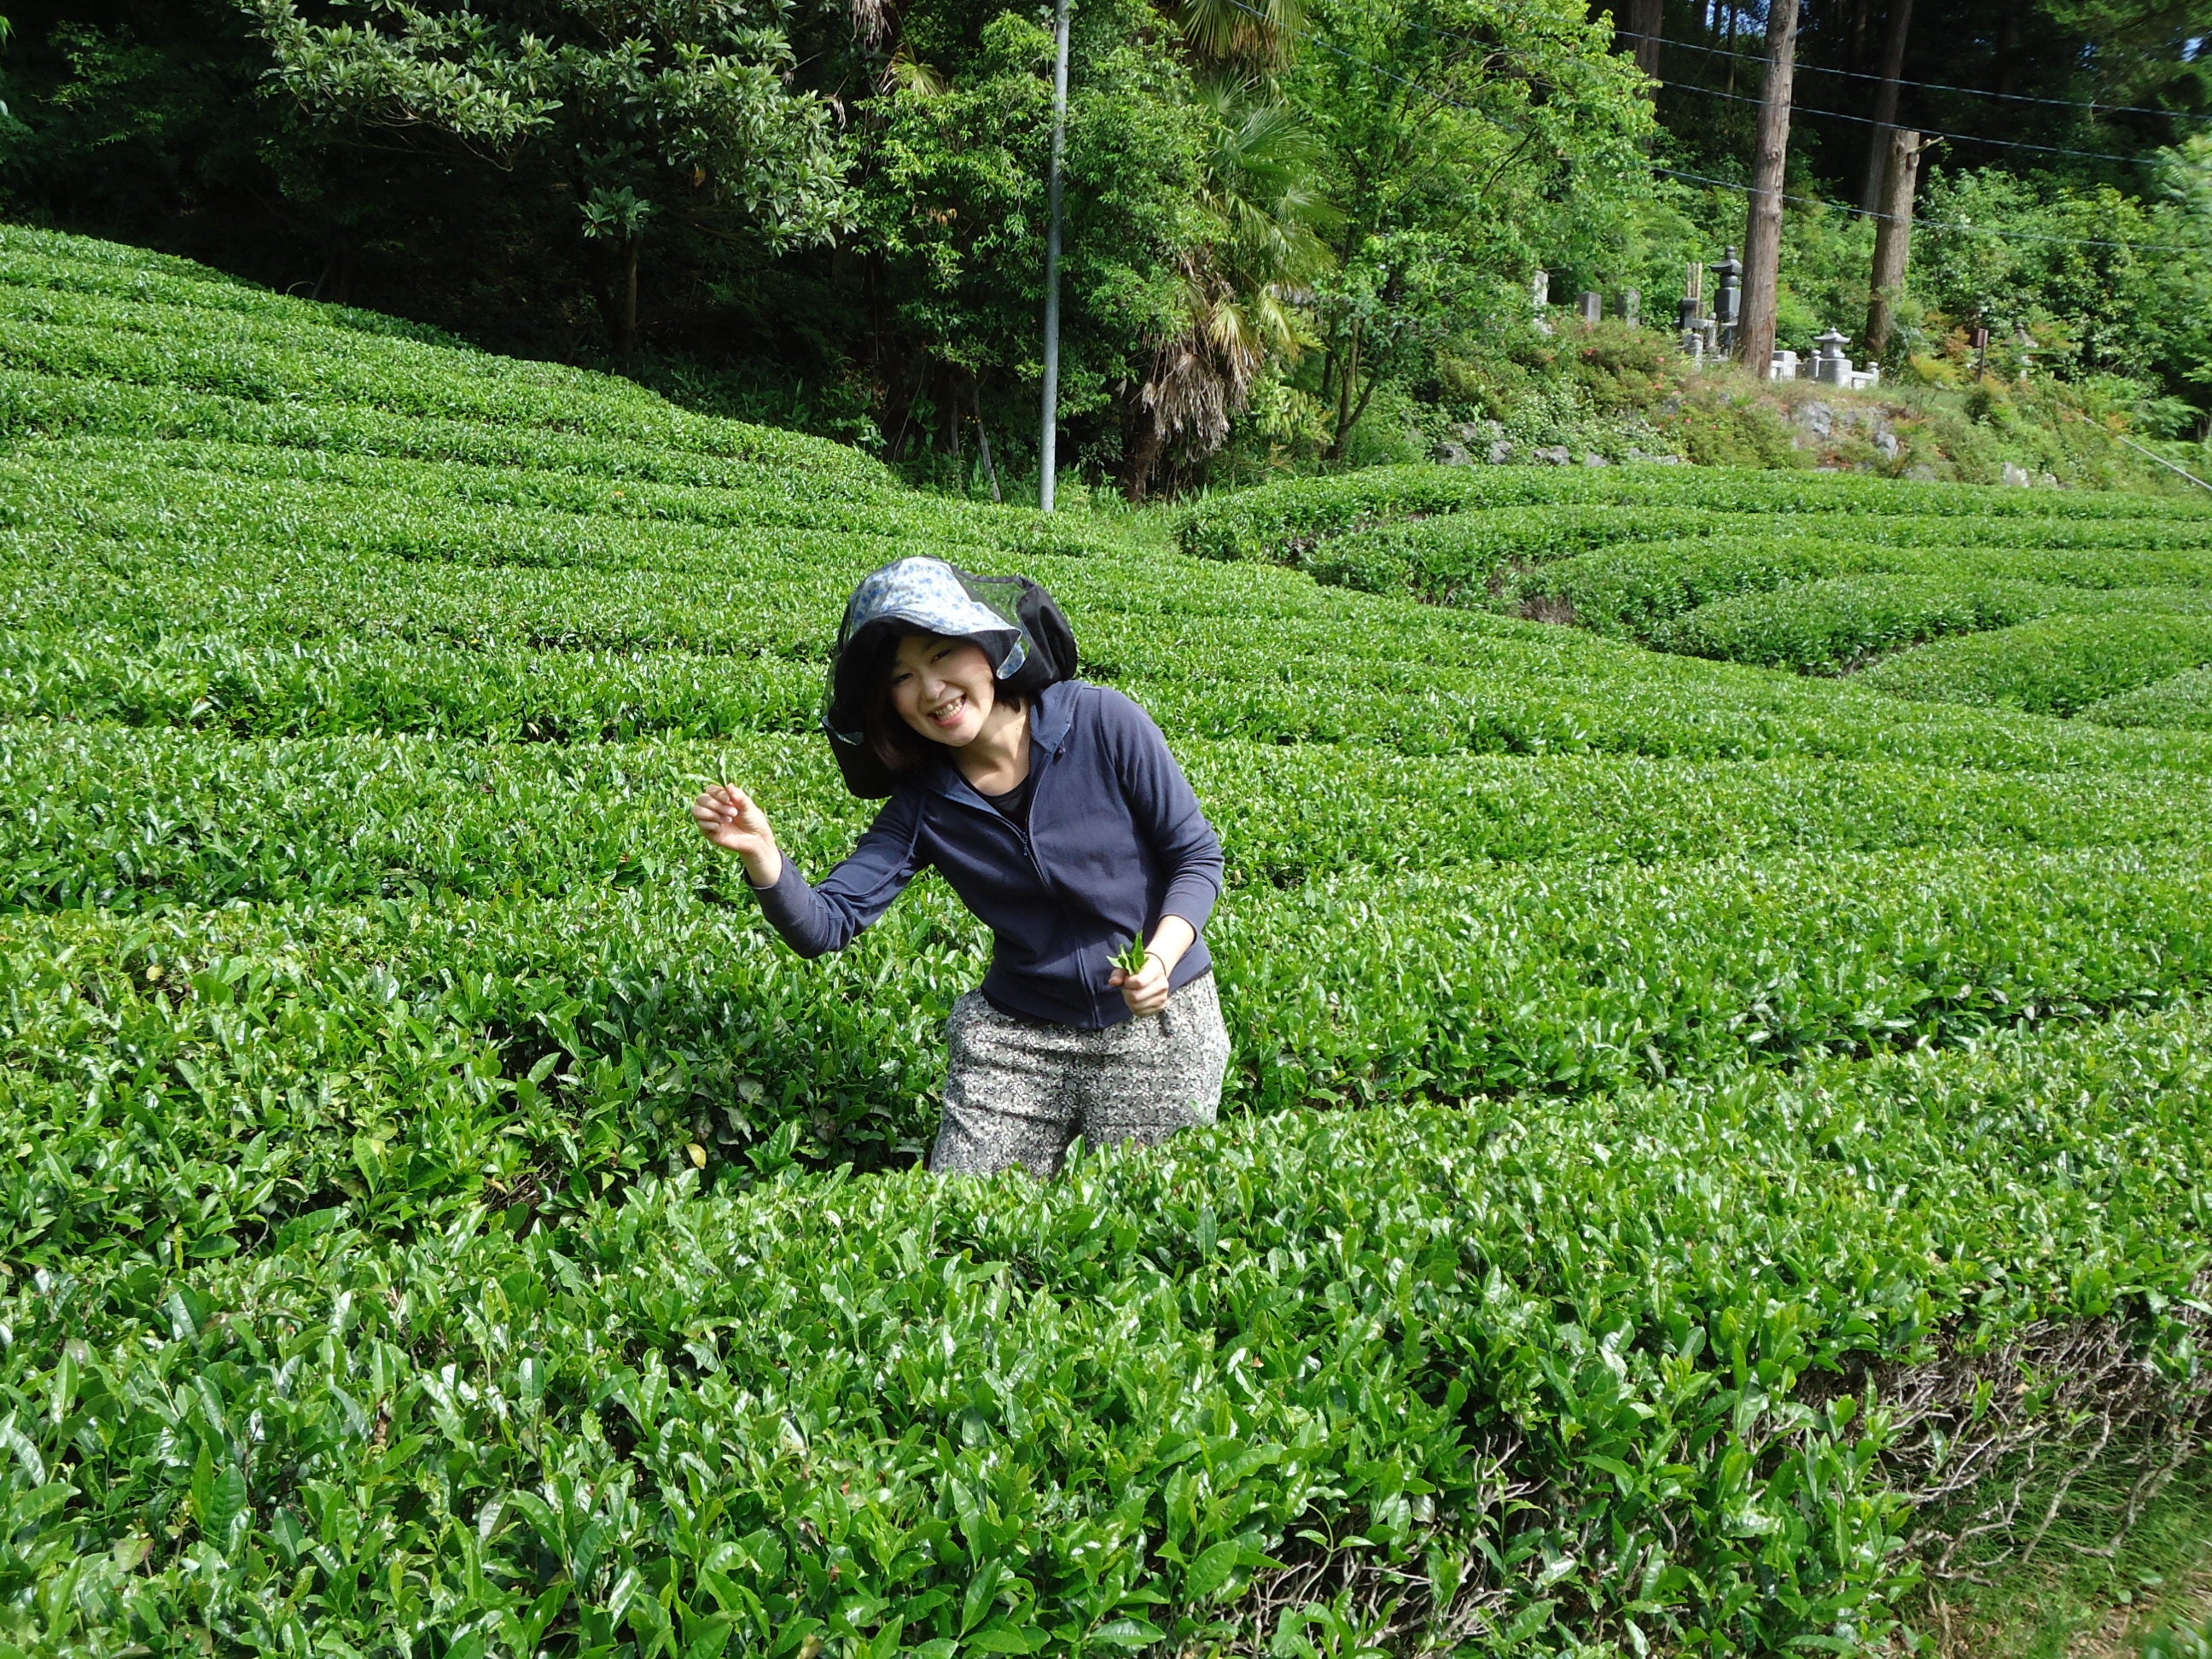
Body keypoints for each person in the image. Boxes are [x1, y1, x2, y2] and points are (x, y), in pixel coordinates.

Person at [690, 556, 1231, 1177]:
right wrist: (762, 852)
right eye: (903, 677)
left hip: (1158, 1023)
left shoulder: (1103, 721)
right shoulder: (924, 803)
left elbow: (1195, 855)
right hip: (1017, 1039)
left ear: (986, 645)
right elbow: (826, 925)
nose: (931, 689)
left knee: (1139, 1225)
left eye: (942, 653)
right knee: (966, 1232)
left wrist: (1157, 963)